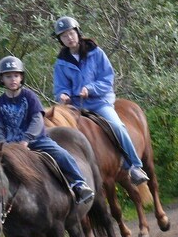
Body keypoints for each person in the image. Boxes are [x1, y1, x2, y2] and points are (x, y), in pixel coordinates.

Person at [52, 16, 150, 186]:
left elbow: (107, 79)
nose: (69, 38)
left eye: (71, 33)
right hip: (75, 107)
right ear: (60, 40)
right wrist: (63, 95)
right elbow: (60, 86)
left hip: (99, 102)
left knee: (117, 125)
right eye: (64, 36)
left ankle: (134, 165)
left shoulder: (96, 53)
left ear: (77, 32)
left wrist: (89, 89)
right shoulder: (61, 63)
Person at [0, 56, 95, 205]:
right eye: (8, 76)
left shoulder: (29, 96)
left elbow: (37, 120)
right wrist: (2, 144)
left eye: (16, 75)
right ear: (2, 79)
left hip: (36, 141)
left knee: (62, 154)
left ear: (21, 77)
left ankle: (79, 184)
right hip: (10, 147)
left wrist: (26, 139)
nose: (13, 79)